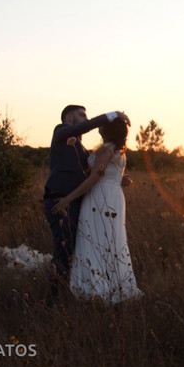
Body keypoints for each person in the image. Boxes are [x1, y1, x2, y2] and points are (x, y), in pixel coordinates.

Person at [52, 118, 143, 303]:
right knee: (107, 239)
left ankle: (96, 289)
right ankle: (110, 285)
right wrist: (120, 179)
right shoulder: (117, 149)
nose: (99, 126)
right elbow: (109, 173)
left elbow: (93, 179)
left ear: (108, 129)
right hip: (113, 196)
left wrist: (67, 200)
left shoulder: (106, 149)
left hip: (99, 197)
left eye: (103, 124)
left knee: (95, 239)